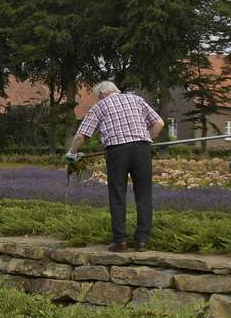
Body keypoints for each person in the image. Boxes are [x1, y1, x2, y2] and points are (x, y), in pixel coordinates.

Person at [66, 80, 164, 251]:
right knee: (143, 195)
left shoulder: (100, 107)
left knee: (118, 195)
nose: (97, 100)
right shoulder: (137, 100)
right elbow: (159, 124)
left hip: (117, 152)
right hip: (142, 150)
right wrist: (146, 138)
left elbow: (81, 136)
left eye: (97, 97)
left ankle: (120, 241)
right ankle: (142, 241)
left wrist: (72, 153)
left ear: (102, 94)